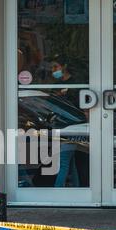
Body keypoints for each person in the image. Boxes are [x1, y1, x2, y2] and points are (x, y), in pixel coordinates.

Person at [49, 54, 81, 188]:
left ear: (64, 67)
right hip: (60, 126)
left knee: (63, 160)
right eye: (52, 67)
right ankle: (77, 187)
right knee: (69, 160)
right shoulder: (56, 86)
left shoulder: (75, 85)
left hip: (72, 127)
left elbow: (80, 106)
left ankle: (57, 191)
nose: (53, 70)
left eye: (56, 66)